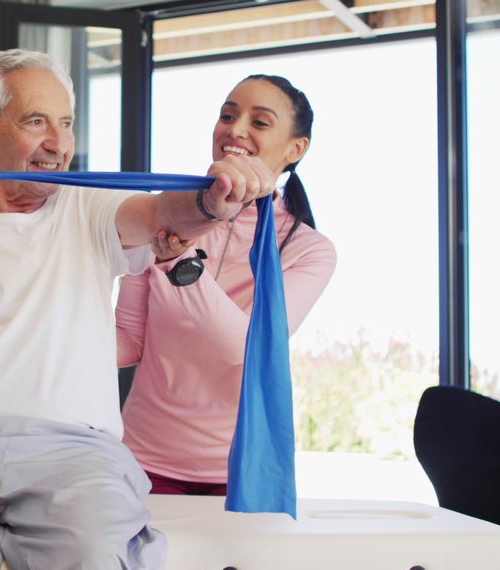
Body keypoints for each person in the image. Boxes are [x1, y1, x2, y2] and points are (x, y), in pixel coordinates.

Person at [0, 49, 276, 569]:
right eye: (36, 122)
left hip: (74, 454)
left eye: (66, 124)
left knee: (99, 552)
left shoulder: (91, 208)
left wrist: (215, 202)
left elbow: (161, 212)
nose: (58, 145)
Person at [116, 74, 337, 496]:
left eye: (260, 122)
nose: (235, 130)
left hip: (240, 472)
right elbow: (129, 341)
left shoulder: (309, 251)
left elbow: (244, 347)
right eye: (227, 115)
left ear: (295, 149)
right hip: (140, 464)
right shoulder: (165, 214)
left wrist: (179, 261)